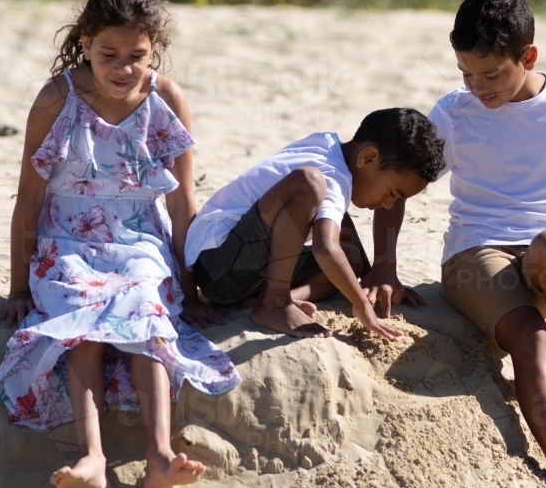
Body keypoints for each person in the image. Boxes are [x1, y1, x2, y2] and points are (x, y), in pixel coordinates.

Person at [371, 0, 546, 488]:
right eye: (466, 73)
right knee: (533, 344)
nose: (477, 87)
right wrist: (384, 264)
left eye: (490, 74)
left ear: (528, 56)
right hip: (475, 255)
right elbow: (400, 184)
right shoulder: (454, 112)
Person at [0, 0, 241, 488]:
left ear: (154, 50)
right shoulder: (57, 99)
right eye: (109, 54)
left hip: (141, 240)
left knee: (144, 308)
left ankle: (160, 457)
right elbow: (29, 199)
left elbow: (181, 204)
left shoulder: (165, 100)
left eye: (137, 56)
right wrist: (18, 289)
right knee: (83, 316)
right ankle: (93, 458)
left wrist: (190, 292)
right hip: (67, 239)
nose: (123, 68)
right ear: (85, 42)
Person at [185, 108, 446, 340]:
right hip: (218, 264)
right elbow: (325, 248)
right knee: (308, 184)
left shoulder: (328, 147)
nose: (388, 205)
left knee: (350, 260)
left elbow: (336, 238)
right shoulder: (330, 174)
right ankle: (274, 304)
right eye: (392, 193)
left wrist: (368, 278)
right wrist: (362, 307)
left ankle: (263, 301)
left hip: (240, 271)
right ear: (367, 158)